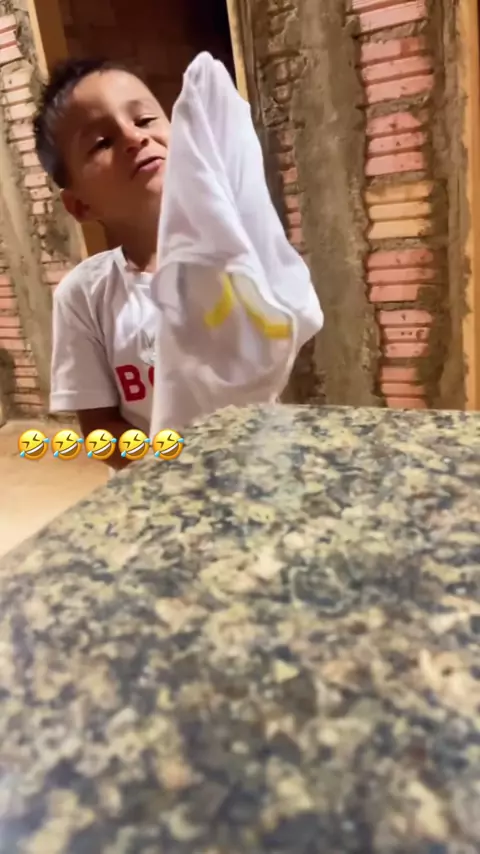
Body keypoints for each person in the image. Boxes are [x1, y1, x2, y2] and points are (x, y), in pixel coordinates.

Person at [34, 58, 170, 470]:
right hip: (157, 492)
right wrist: (175, 468)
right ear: (80, 205)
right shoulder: (83, 296)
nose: (134, 137)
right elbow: (99, 431)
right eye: (101, 142)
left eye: (144, 119)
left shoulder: (239, 259)